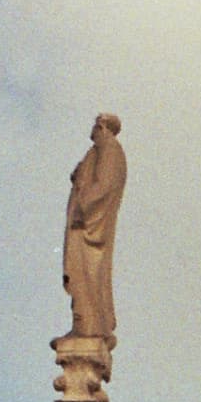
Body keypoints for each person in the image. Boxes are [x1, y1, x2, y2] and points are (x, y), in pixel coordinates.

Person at [63, 114, 126, 341]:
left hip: (89, 225)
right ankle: (85, 325)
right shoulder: (98, 150)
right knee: (82, 276)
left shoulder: (109, 148)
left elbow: (104, 184)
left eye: (96, 125)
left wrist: (83, 208)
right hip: (84, 223)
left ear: (103, 127)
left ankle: (89, 327)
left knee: (87, 274)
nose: (93, 129)